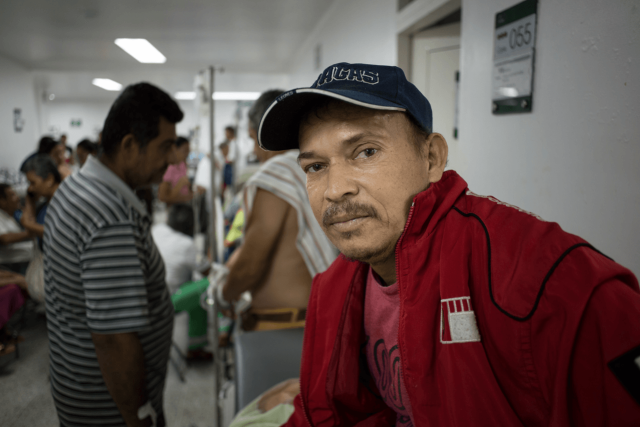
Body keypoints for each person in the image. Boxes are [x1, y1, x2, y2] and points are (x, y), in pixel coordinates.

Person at [256, 62, 640, 426]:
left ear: (432, 158)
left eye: (366, 151)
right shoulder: (334, 291)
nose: (336, 189)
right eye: (316, 167)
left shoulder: (550, 285)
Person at [44, 82, 183, 427]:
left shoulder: (77, 185)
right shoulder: (108, 215)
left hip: (80, 392)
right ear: (129, 145)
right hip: (111, 409)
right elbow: (113, 338)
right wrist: (139, 415)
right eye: (165, 147)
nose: (171, 160)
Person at [219, 90, 337, 332]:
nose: (254, 151)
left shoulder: (277, 175)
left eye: (253, 141)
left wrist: (223, 293)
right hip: (318, 320)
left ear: (257, 133)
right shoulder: (315, 170)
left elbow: (251, 265)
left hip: (285, 329)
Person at [152, 204, 212, 358]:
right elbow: (208, 271)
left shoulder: (157, 229)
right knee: (209, 284)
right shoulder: (186, 244)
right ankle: (224, 334)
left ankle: (196, 348)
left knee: (198, 298)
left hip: (149, 299)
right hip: (168, 301)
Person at [19, 154, 61, 249]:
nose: (30, 188)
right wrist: (30, 201)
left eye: (33, 183)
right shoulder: (44, 203)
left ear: (49, 179)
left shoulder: (64, 203)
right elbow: (32, 231)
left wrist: (27, 224)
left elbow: (56, 233)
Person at [0, 184, 33, 274]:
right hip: (12, 265)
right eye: (12, 195)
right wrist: (31, 233)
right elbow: (4, 239)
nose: (18, 198)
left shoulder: (14, 215)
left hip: (26, 261)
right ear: (2, 201)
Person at [158, 136, 193, 205]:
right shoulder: (169, 168)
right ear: (175, 149)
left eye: (188, 151)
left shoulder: (182, 165)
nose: (187, 154)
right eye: (185, 150)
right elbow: (163, 197)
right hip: (176, 209)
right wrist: (180, 185)